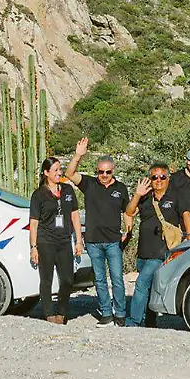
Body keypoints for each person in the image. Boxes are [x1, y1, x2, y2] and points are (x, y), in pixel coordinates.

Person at [65, 137, 132, 326]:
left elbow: (127, 211)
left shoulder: (120, 188)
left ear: (113, 171)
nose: (104, 175)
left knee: (118, 279)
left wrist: (128, 229)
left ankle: (120, 313)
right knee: (100, 280)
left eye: (107, 172)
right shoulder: (89, 184)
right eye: (101, 172)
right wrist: (78, 155)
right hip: (93, 241)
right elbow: (70, 173)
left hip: (113, 241)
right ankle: (106, 312)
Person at [124, 163, 190, 328]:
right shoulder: (145, 196)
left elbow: (186, 214)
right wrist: (137, 194)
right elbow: (129, 212)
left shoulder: (175, 196)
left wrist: (189, 235)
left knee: (141, 284)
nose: (158, 180)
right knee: (149, 287)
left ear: (168, 178)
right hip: (144, 250)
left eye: (162, 176)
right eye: (154, 177)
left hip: (162, 250)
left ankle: (134, 320)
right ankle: (150, 320)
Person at [28, 156, 83, 325]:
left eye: (60, 169)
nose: (59, 173)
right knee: (47, 279)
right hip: (46, 241)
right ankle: (49, 313)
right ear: (46, 173)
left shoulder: (67, 190)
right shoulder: (38, 195)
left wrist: (79, 240)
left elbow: (75, 215)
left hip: (64, 240)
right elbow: (34, 223)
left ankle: (62, 311)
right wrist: (33, 247)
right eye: (56, 170)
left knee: (67, 279)